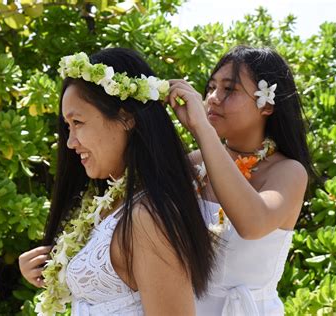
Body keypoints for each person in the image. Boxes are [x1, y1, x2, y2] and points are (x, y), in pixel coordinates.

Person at [18, 47, 215, 316]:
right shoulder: (111, 202)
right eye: (67, 126)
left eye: (78, 122)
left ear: (126, 118)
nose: (70, 142)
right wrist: (50, 266)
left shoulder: (148, 219)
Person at [166, 45, 316, 315]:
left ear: (267, 104)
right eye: (211, 87)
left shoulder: (288, 172)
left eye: (229, 89)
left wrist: (202, 130)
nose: (212, 98)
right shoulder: (195, 163)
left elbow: (253, 223)